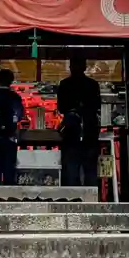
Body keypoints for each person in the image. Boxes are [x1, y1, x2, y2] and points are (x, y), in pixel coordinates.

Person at [56, 56, 102, 188]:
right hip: (89, 128)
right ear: (85, 68)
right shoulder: (92, 84)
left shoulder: (65, 84)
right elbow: (97, 105)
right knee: (90, 166)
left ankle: (72, 194)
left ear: (70, 67)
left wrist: (73, 110)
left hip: (71, 129)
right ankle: (91, 193)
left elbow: (61, 107)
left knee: (71, 165)